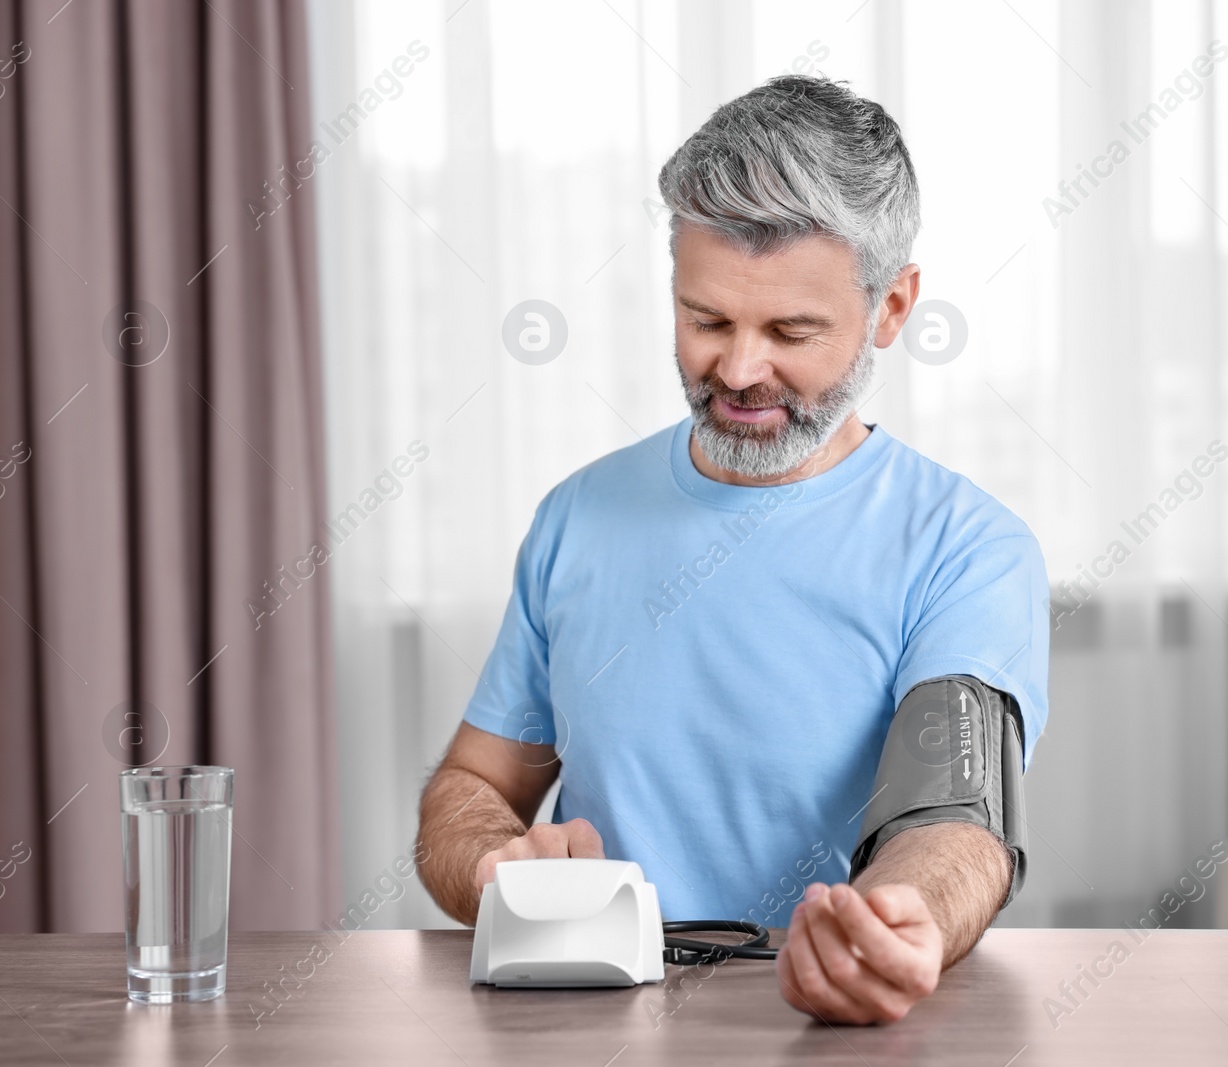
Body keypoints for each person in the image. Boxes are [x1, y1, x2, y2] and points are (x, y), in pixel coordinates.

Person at [418, 74, 1049, 1025]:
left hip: (833, 1025)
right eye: (706, 320)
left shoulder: (968, 548)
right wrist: (492, 866)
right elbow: (473, 787)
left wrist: (896, 920)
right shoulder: (576, 516)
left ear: (891, 308)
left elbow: (954, 820)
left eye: (792, 330)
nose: (739, 370)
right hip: (589, 1023)